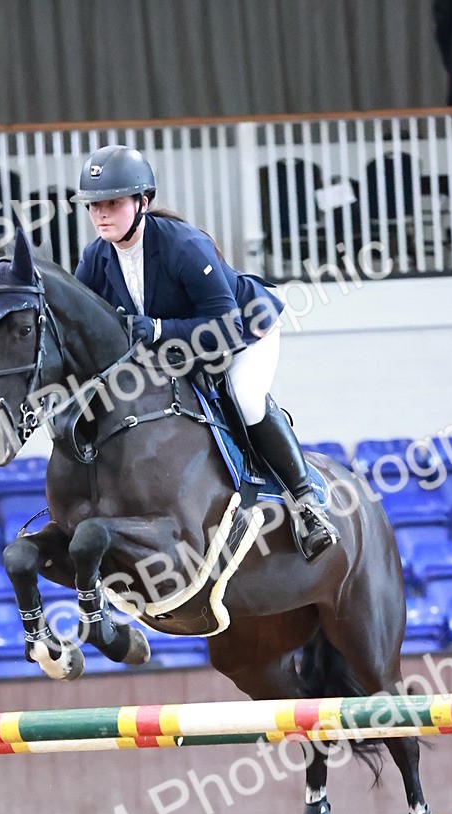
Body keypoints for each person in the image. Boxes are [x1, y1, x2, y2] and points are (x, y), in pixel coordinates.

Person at [73, 144, 337, 562]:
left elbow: (228, 328)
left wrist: (158, 329)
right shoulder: (95, 259)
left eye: (113, 202)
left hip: (245, 332)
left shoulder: (183, 245)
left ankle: (307, 504)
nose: (101, 214)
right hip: (178, 349)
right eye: (94, 205)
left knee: (244, 398)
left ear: (142, 202)